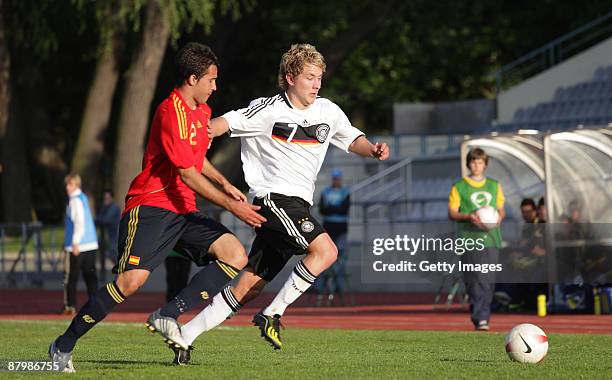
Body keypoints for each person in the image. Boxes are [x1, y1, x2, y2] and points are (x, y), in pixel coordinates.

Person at [48, 42, 266, 373]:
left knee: (235, 255)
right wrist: (233, 208)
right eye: (212, 79)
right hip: (151, 206)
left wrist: (225, 184)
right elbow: (186, 172)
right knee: (130, 283)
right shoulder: (170, 111)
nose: (215, 86)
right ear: (193, 79)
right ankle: (62, 345)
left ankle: (167, 314)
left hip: (183, 210)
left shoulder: (202, 113)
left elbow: (197, 160)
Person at [172, 43, 389, 362]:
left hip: (298, 206)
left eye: (320, 78)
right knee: (326, 251)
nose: (316, 84)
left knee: (250, 284)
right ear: (290, 77)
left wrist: (372, 149)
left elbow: (350, 138)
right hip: (275, 200)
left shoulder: (328, 111)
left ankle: (185, 335)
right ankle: (272, 314)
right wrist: (200, 133)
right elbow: (226, 122)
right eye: (310, 77)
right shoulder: (269, 109)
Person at [448, 148, 505, 331]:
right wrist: (469, 216)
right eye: (473, 162)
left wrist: (497, 218)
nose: (476, 165)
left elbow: (501, 209)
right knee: (474, 279)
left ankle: (481, 317)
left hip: (491, 239)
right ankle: (480, 315)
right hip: (469, 240)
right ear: (468, 164)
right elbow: (452, 212)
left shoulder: (494, 185)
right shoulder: (459, 186)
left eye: (480, 162)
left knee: (487, 279)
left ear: (485, 164)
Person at [61, 174, 99, 316]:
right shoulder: (83, 198)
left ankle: (70, 305)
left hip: (78, 245)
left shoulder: (75, 200)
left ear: (76, 185)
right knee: (90, 277)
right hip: (90, 244)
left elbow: (79, 222)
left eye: (70, 185)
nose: (67, 188)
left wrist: (75, 242)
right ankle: (95, 305)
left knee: (71, 277)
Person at [313, 168, 350, 305]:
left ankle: (338, 288)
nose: (336, 181)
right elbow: (323, 210)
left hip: (341, 229)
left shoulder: (345, 192)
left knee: (340, 259)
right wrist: (335, 208)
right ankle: (319, 287)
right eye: (334, 178)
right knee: (324, 257)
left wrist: (332, 208)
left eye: (337, 178)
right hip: (328, 228)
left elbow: (344, 209)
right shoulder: (326, 192)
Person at [96, 190, 121, 281]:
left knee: (112, 255)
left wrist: (100, 220)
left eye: (107, 198)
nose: (105, 200)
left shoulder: (114, 207)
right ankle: (102, 276)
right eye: (104, 198)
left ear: (112, 198)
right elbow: (97, 219)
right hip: (104, 236)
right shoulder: (104, 207)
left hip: (112, 235)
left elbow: (105, 219)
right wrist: (100, 220)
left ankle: (120, 273)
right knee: (102, 256)